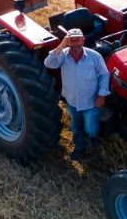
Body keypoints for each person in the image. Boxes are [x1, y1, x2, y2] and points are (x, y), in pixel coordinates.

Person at [43, 27, 110, 160]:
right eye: (71, 41)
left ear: (83, 40)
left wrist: (101, 95)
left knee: (91, 128)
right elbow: (48, 63)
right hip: (72, 101)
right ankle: (79, 148)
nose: (75, 45)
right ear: (68, 42)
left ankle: (92, 146)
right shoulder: (62, 55)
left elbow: (104, 74)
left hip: (90, 101)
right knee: (75, 126)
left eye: (78, 41)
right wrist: (62, 45)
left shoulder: (94, 56)